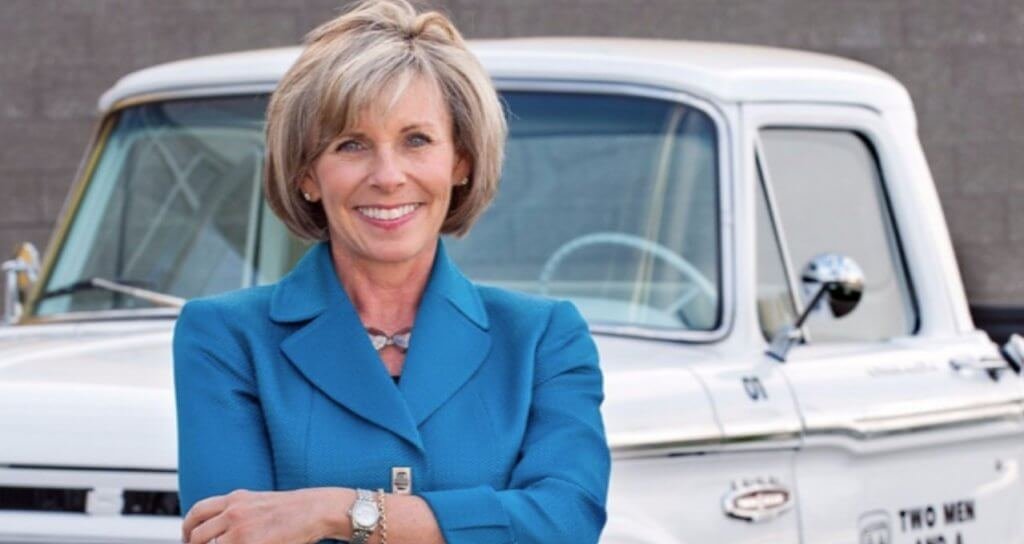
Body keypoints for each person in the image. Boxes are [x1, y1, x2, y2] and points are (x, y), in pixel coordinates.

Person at [172, 1, 611, 543]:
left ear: (460, 162)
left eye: (416, 140)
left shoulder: (543, 338)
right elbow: (230, 536)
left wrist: (339, 511)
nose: (387, 176)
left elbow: (565, 522)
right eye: (351, 144)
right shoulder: (225, 338)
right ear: (307, 174)